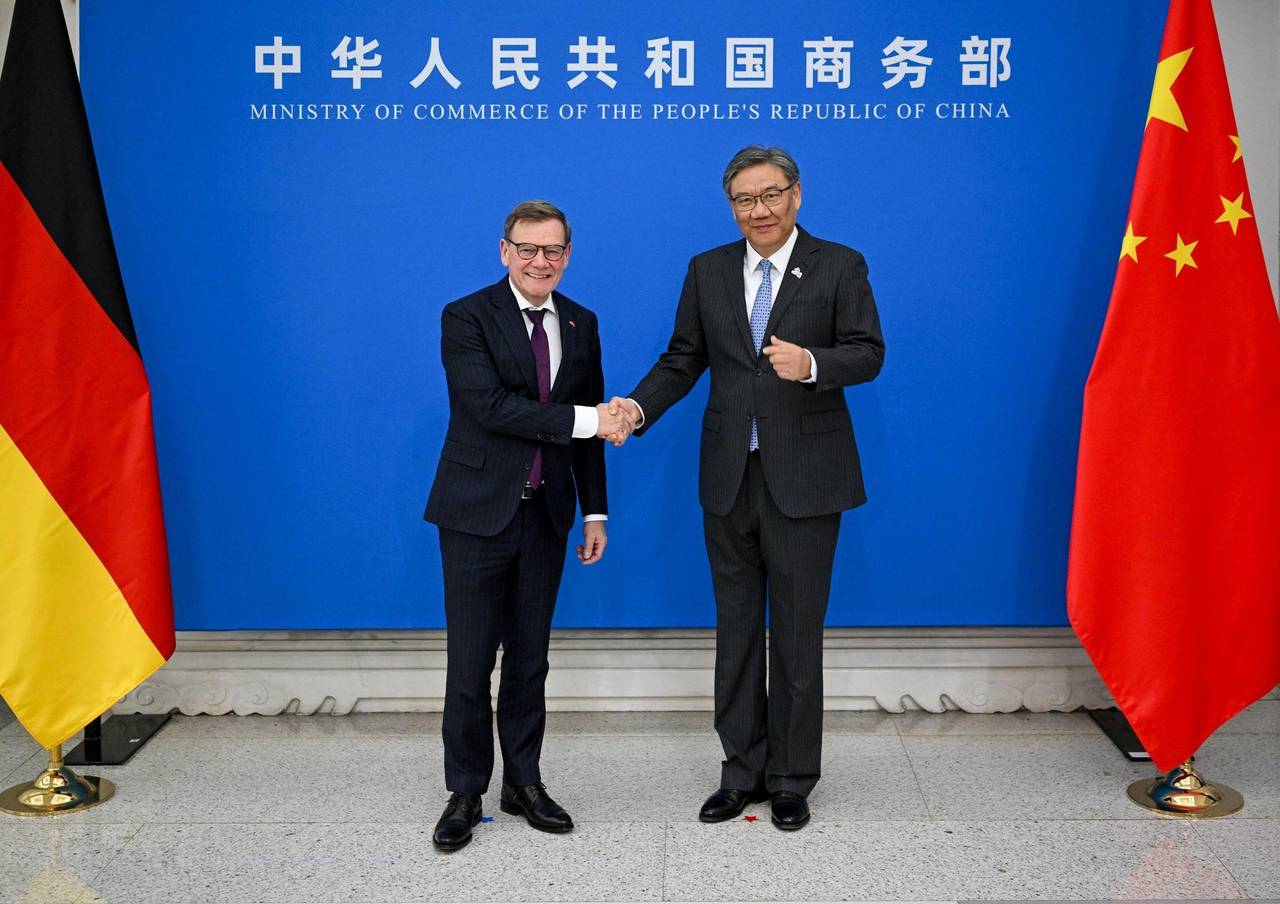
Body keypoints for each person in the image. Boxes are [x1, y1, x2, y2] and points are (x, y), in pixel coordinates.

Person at [609, 146, 884, 830]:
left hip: (807, 478)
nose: (759, 210)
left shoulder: (839, 264)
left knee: (796, 633)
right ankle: (740, 773)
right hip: (729, 476)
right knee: (735, 630)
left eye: (770, 195)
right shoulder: (707, 269)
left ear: (796, 195)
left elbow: (868, 352)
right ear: (730, 205)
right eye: (744, 199)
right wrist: (637, 409)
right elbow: (683, 359)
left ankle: (790, 778)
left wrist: (812, 362)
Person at [424, 200, 631, 851]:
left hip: (546, 515)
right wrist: (592, 419)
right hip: (475, 514)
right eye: (528, 249)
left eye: (553, 250)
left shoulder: (581, 321)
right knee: (470, 661)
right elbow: (491, 407)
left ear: (567, 255)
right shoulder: (466, 316)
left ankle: (523, 782)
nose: (540, 261)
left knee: (530, 659)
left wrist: (594, 511)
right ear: (505, 251)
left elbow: (589, 428)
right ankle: (465, 790)